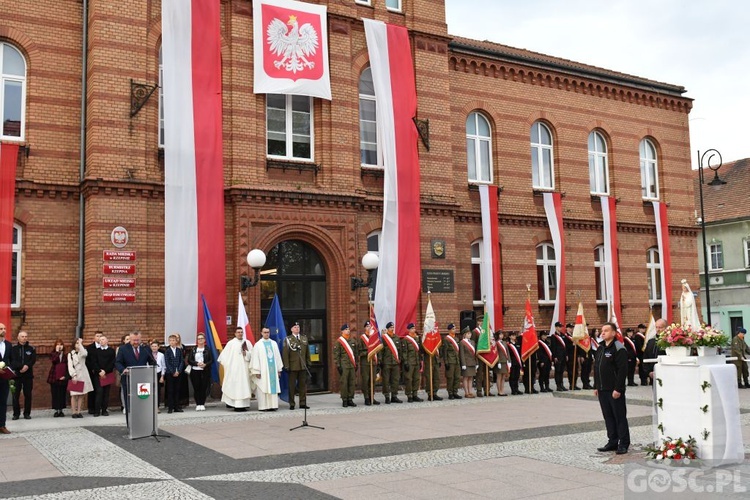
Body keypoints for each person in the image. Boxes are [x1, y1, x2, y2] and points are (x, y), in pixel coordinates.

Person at [594, 322, 630, 455]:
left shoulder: (618, 348)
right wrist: (596, 386)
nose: (603, 333)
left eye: (606, 331)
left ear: (614, 333)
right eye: (602, 331)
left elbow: (622, 371)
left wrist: (618, 389)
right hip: (602, 390)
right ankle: (612, 441)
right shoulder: (600, 348)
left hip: (614, 390)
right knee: (608, 416)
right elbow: (597, 367)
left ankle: (624, 443)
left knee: (619, 416)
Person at [114, 331, 155, 421]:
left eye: (138, 340)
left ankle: (143, 422)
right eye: (134, 340)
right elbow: (118, 362)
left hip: (142, 381)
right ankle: (131, 425)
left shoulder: (146, 348)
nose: (136, 342)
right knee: (130, 404)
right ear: (130, 339)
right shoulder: (123, 349)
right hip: (128, 380)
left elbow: (152, 361)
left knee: (142, 402)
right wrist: (123, 370)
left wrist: (152, 367)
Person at [217, 326, 254, 411]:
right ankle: (235, 405)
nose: (240, 334)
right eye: (238, 332)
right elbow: (224, 357)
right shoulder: (231, 343)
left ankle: (244, 404)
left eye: (241, 332)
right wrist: (229, 367)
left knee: (245, 386)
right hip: (234, 370)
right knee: (235, 386)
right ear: (235, 333)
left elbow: (252, 355)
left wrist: (246, 353)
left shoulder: (247, 343)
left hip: (245, 369)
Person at [250, 326, 283, 411]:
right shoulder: (258, 345)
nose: (266, 334)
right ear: (261, 333)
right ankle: (263, 406)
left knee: (273, 387)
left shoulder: (273, 343)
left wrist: (279, 369)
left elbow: (277, 357)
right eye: (265, 332)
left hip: (272, 371)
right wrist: (256, 371)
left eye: (268, 332)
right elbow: (255, 358)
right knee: (263, 387)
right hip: (263, 371)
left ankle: (273, 405)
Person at [282, 322, 310, 410]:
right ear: (291, 329)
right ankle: (292, 403)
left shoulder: (304, 338)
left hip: (302, 365)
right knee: (292, 386)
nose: (297, 328)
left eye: (298, 327)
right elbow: (285, 354)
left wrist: (308, 363)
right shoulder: (288, 339)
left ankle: (302, 402)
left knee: (302, 386)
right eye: (295, 327)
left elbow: (307, 353)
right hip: (292, 366)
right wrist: (286, 365)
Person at [11, 330, 36, 420]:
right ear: (18, 337)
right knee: (15, 395)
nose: (24, 338)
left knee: (28, 395)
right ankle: (16, 414)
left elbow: (32, 360)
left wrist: (26, 366)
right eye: (22, 336)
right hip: (16, 375)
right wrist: (21, 367)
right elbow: (12, 361)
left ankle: (27, 413)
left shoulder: (31, 348)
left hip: (28, 375)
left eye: (26, 336)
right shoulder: (13, 349)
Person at [67, 337, 93, 418]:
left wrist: (81, 344)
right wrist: (73, 375)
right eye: (76, 343)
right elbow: (70, 366)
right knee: (74, 395)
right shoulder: (70, 354)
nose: (78, 345)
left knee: (81, 394)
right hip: (75, 375)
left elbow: (85, 354)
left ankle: (79, 411)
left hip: (83, 374)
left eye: (79, 343)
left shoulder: (82, 352)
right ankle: (74, 412)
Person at [187, 332, 213, 411]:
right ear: (197, 340)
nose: (200, 340)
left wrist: (205, 364)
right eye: (199, 339)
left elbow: (211, 360)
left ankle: (202, 403)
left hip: (205, 371)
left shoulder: (208, 349)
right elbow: (189, 360)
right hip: (195, 371)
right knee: (196, 387)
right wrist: (197, 363)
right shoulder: (194, 349)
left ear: (204, 340)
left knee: (203, 387)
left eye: (202, 338)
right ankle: (198, 404)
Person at [333, 324, 358, 407]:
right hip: (344, 365)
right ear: (342, 331)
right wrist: (338, 365)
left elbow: (356, 354)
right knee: (344, 383)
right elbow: (336, 355)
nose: (348, 330)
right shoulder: (339, 342)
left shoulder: (353, 341)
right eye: (346, 329)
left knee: (352, 382)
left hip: (352, 365)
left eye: (348, 329)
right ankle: (344, 399)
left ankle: (350, 398)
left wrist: (356, 363)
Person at [380, 322, 402, 404]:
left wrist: (400, 359)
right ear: (387, 328)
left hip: (395, 362)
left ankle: (394, 396)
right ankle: (386, 396)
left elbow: (399, 350)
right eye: (391, 327)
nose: (392, 329)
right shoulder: (384, 338)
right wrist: (381, 361)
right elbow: (381, 351)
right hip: (386, 362)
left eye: (393, 327)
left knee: (395, 380)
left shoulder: (396, 338)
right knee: (386, 380)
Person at [358, 321, 379, 406]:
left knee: (372, 381)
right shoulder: (362, 339)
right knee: (366, 381)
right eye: (367, 326)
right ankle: (366, 397)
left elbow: (377, 350)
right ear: (364, 328)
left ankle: (372, 397)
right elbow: (359, 352)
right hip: (365, 363)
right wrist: (368, 352)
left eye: (370, 326)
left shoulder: (374, 338)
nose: (369, 328)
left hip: (373, 362)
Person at [94, 335, 116, 416]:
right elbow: (94, 362)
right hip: (98, 374)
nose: (101, 341)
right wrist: (99, 371)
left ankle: (104, 410)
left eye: (103, 339)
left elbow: (112, 362)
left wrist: (105, 371)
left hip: (108, 374)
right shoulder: (96, 351)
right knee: (99, 392)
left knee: (106, 393)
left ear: (107, 341)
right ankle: (97, 410)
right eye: (100, 340)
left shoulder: (111, 351)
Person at [401, 323, 423, 403]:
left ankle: (415, 394)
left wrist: (420, 361)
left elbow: (419, 351)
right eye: (412, 328)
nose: (414, 329)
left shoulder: (417, 339)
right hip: (410, 362)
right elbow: (404, 352)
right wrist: (406, 362)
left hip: (416, 362)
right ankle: (409, 395)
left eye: (414, 328)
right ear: (409, 330)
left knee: (416, 379)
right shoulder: (405, 340)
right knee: (409, 379)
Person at [163, 334, 185, 413]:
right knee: (170, 390)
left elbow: (181, 361)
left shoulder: (179, 350)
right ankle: (170, 407)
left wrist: (178, 371)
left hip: (178, 373)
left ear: (176, 341)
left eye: (173, 340)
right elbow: (167, 362)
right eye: (170, 341)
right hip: (170, 373)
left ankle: (177, 406)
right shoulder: (167, 351)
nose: (172, 342)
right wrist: (173, 371)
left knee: (177, 390)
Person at [48, 338, 68, 417]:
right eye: (58, 345)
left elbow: (67, 365)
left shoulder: (66, 355)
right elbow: (54, 360)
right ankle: (56, 410)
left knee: (62, 393)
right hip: (54, 375)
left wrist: (65, 376)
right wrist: (57, 352)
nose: (59, 346)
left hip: (63, 375)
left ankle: (61, 409)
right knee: (55, 393)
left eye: (61, 345)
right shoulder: (53, 353)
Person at [643, 319, 667, 383]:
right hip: (652, 374)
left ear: (665, 328)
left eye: (660, 327)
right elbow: (646, 356)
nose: (658, 329)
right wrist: (648, 372)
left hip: (666, 373)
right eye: (656, 327)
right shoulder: (651, 342)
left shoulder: (669, 342)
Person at [442, 323, 461, 400]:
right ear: (449, 330)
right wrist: (446, 362)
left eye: (455, 328)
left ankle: (455, 392)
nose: (454, 330)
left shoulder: (456, 339)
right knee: (450, 378)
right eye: (453, 329)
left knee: (457, 377)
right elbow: (445, 351)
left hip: (456, 361)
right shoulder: (446, 339)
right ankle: (450, 393)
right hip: (450, 361)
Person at [0, 323, 13, 433]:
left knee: (3, 401)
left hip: (4, 378)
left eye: (4, 328)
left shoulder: (8, 345)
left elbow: (11, 360)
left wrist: (9, 369)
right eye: (1, 328)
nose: (3, 330)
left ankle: (2, 425)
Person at [85, 331, 102, 415]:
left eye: (100, 336)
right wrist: (92, 368)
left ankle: (99, 407)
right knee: (92, 390)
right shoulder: (89, 348)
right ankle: (91, 407)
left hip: (101, 372)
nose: (99, 338)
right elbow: (87, 360)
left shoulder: (104, 347)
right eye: (97, 336)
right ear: (94, 338)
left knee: (100, 390)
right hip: (92, 371)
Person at [459, 326, 477, 398]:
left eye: (470, 333)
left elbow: (475, 353)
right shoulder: (462, 342)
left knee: (471, 378)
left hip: (472, 362)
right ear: (464, 335)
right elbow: (462, 354)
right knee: (466, 378)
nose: (470, 335)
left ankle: (470, 391)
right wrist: (463, 364)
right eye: (468, 333)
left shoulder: (472, 342)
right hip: (466, 363)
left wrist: (476, 363)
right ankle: (466, 392)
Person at [551, 322, 567, 391]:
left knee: (561, 371)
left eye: (561, 327)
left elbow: (564, 346)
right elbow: (553, 347)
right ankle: (558, 385)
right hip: (557, 356)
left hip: (563, 356)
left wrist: (566, 355)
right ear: (556, 327)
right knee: (557, 371)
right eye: (559, 327)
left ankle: (561, 384)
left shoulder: (563, 335)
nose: (561, 328)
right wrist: (554, 356)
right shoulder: (553, 336)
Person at [150, 340, 166, 411]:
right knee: (151, 391)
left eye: (155, 346)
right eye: (152, 346)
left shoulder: (161, 355)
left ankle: (157, 406)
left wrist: (162, 376)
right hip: (150, 374)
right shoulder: (148, 354)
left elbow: (163, 366)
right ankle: (151, 406)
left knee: (158, 391)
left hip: (158, 373)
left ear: (158, 347)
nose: (154, 348)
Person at [493, 330, 509, 396]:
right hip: (499, 362)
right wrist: (498, 362)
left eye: (502, 334)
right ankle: (499, 391)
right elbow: (496, 353)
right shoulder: (496, 343)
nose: (501, 336)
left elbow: (507, 352)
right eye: (500, 335)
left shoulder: (504, 342)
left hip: (505, 361)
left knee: (503, 377)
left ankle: (502, 390)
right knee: (499, 377)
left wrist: (509, 360)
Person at [507, 331, 523, 395]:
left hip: (518, 362)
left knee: (517, 376)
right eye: (512, 335)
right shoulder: (508, 344)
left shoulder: (517, 343)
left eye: (514, 335)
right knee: (512, 376)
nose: (514, 337)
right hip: (512, 362)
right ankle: (513, 390)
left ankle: (517, 389)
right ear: (510, 336)